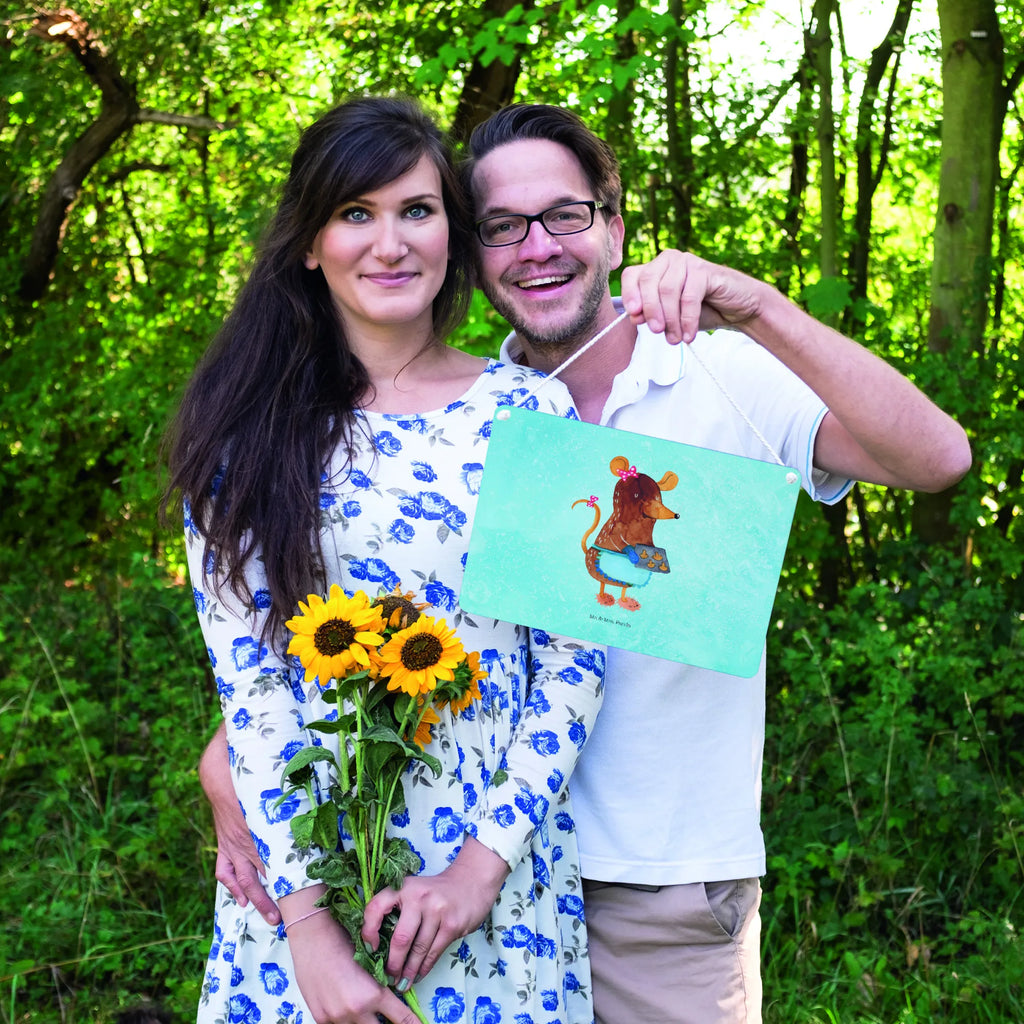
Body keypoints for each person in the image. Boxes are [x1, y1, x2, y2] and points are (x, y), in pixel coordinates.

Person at [201, 101, 972, 1024]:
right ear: (474, 251)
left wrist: (760, 306)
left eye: (564, 215)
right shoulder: (473, 414)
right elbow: (347, 628)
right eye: (501, 227)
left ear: (612, 226)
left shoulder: (711, 373)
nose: (536, 246)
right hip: (428, 875)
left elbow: (938, 461)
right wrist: (235, 767)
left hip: (655, 886)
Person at [165, 97, 612, 1024]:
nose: (390, 242)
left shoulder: (530, 414)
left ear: (452, 229)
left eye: (416, 210)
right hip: (303, 882)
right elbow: (250, 692)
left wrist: (478, 873)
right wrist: (311, 936)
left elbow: (574, 660)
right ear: (308, 243)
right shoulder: (243, 437)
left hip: (492, 885)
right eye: (355, 214)